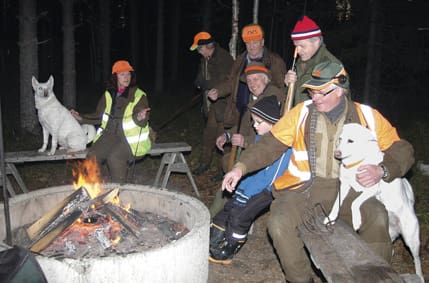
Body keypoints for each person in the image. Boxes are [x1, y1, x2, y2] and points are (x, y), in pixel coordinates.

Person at [222, 61, 414, 283]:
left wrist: (382, 170)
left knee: (377, 216)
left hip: (349, 190)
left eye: (322, 92)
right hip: (303, 190)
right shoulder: (301, 113)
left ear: (341, 89)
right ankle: (301, 279)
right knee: (278, 223)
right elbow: (269, 145)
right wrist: (240, 167)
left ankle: (376, 278)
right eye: (312, 91)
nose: (315, 97)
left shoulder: (367, 116)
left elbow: (402, 149)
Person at [209, 95, 291, 265]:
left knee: (240, 216)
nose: (254, 125)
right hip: (250, 187)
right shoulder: (260, 139)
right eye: (254, 121)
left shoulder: (283, 146)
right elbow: (252, 169)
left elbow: (271, 177)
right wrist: (241, 188)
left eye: (259, 122)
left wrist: (249, 193)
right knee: (228, 208)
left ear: (273, 123)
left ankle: (230, 248)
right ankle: (214, 238)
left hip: (265, 191)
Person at [209, 61, 284, 217]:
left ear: (266, 79)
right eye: (249, 80)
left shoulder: (273, 98)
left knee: (233, 178)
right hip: (250, 150)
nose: (252, 83)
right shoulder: (253, 98)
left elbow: (273, 138)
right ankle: (225, 212)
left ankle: (220, 216)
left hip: (266, 158)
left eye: (256, 79)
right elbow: (244, 127)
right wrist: (228, 135)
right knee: (227, 162)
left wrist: (246, 141)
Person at [70, 60, 154, 183]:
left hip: (127, 138)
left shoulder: (138, 95)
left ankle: (118, 192)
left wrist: (141, 117)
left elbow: (142, 115)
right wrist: (81, 118)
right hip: (109, 134)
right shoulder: (109, 94)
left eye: (128, 74)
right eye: (122, 74)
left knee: (115, 157)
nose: (126, 77)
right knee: (92, 156)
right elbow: (99, 115)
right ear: (115, 77)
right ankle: (94, 189)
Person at [189, 31, 234, 176]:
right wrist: (198, 82)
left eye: (199, 48)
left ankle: (224, 170)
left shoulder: (224, 58)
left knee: (223, 137)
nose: (198, 51)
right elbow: (202, 77)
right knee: (208, 135)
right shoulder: (205, 59)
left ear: (208, 46)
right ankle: (204, 163)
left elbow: (226, 82)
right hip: (211, 105)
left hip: (225, 104)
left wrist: (207, 84)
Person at [285, 15, 346, 105]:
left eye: (302, 46)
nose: (298, 51)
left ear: (316, 41)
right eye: (295, 46)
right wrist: (289, 86)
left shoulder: (331, 65)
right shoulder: (298, 64)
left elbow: (341, 102)